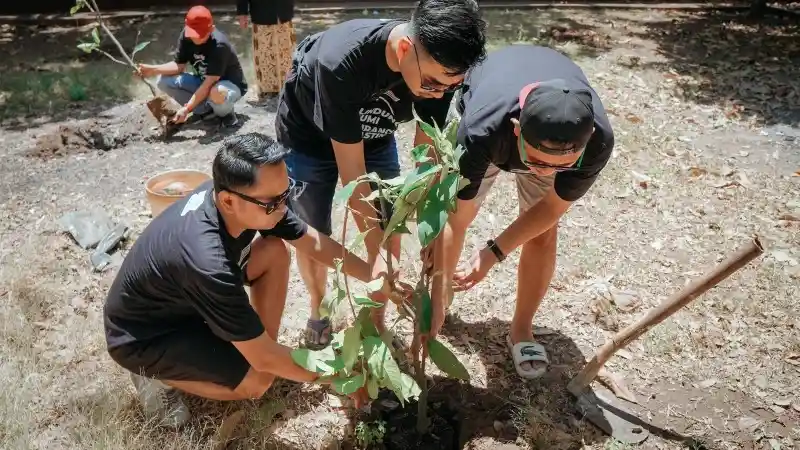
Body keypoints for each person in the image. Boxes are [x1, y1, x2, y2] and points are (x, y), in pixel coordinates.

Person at [104, 133, 397, 428]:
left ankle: (252, 345)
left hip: (187, 301)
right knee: (259, 380)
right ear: (229, 201)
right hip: (146, 335)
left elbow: (310, 240)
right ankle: (154, 377)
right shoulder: (208, 261)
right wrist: (340, 375)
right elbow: (267, 362)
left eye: (287, 194)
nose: (282, 209)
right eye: (273, 203)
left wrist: (376, 276)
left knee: (273, 252)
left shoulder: (246, 200)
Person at [275, 0, 487, 349]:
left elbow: (426, 154)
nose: (438, 93)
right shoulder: (342, 63)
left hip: (373, 137)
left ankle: (376, 319)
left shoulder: (439, 70)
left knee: (390, 223)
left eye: (448, 88)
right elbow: (353, 177)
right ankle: (318, 310)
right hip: (308, 138)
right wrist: (380, 256)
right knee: (315, 228)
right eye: (433, 85)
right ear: (405, 48)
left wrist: (429, 226)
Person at [428, 45, 615, 379]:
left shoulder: (598, 140)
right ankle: (438, 307)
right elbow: (455, 221)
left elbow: (551, 209)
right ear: (517, 129)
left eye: (562, 165)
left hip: (536, 103)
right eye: (538, 162)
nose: (546, 172)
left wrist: (493, 253)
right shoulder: (481, 129)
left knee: (543, 233)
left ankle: (521, 329)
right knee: (452, 214)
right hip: (488, 110)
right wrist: (438, 297)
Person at [137, 5, 246, 131]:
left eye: (200, 35)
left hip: (228, 85)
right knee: (163, 81)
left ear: (211, 29)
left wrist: (187, 109)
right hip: (203, 82)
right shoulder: (186, 36)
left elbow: (209, 83)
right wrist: (152, 69)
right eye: (193, 34)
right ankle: (205, 111)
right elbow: (178, 66)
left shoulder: (220, 45)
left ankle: (226, 114)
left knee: (215, 92)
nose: (196, 38)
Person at [236, 0, 296, 100]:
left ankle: (289, 85)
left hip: (283, 11)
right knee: (264, 53)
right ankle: (267, 90)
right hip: (261, 12)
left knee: (286, 53)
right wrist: (242, 12)